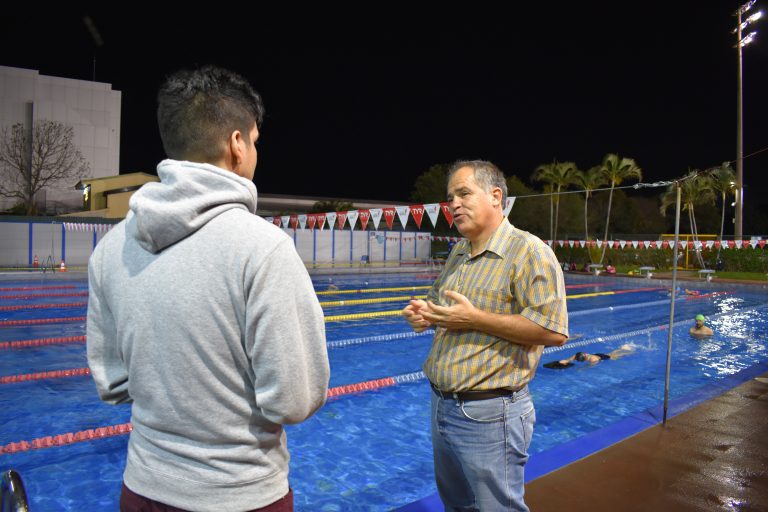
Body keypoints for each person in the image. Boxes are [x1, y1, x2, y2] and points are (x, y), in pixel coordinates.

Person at [86, 65, 330, 512]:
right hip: (240, 494)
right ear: (237, 144)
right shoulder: (264, 248)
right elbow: (294, 400)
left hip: (142, 488)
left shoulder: (110, 249)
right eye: (254, 141)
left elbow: (113, 383)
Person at [402, 160, 568, 511]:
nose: (454, 204)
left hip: (491, 414)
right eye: (450, 198)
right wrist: (424, 315)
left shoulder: (528, 252)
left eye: (464, 193)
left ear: (495, 196)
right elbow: (440, 305)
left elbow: (553, 331)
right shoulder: (459, 252)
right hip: (442, 405)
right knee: (457, 505)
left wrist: (475, 319)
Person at [544, 343, 635, 369]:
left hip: (601, 358)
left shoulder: (592, 360)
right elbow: (569, 359)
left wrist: (583, 368)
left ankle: (629, 352)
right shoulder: (577, 355)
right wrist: (563, 362)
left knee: (615, 356)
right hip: (599, 354)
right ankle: (621, 348)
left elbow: (591, 365)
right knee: (610, 353)